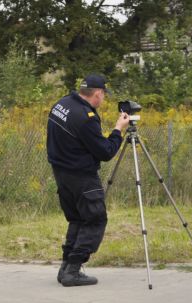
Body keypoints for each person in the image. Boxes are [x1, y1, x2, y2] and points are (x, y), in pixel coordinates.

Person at [47, 74, 129, 287]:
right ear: (98, 93)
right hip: (81, 176)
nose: (103, 100)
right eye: (103, 96)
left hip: (61, 173)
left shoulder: (61, 104)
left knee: (77, 219)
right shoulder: (86, 118)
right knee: (94, 220)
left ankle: (65, 267)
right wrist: (118, 129)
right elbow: (105, 152)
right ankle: (73, 270)